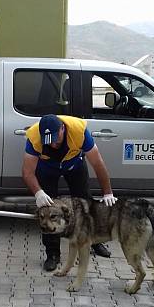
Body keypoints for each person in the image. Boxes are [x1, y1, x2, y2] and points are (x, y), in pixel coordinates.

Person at [22, 114, 118, 272]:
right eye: (48, 140)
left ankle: (94, 241)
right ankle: (52, 254)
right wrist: (38, 193)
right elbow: (27, 172)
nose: (53, 143)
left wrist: (107, 192)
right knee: (48, 210)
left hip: (75, 165)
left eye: (55, 137)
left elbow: (97, 163)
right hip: (47, 169)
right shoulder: (34, 136)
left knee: (86, 203)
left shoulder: (79, 131)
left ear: (62, 129)